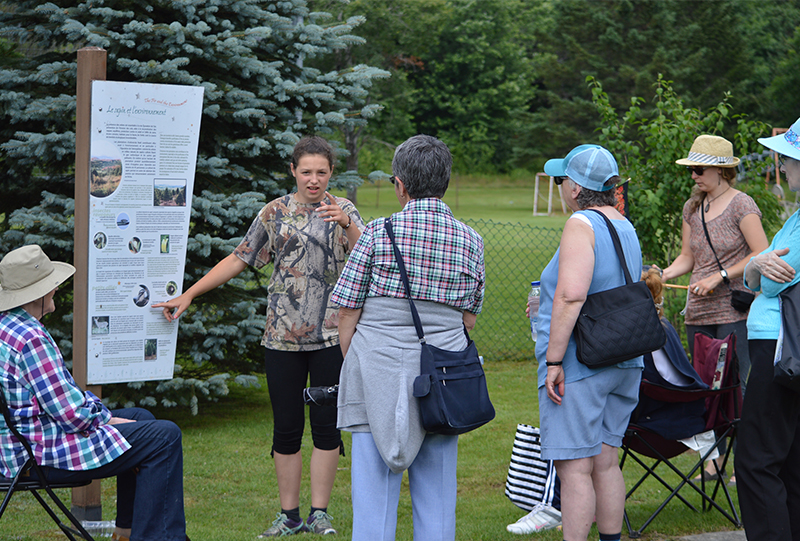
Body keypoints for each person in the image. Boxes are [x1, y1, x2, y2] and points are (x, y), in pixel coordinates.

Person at [153, 136, 364, 537]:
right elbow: (239, 257)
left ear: (331, 173)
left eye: (321, 172)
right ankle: (289, 516)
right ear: (293, 171)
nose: (314, 179)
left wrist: (348, 225)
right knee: (285, 428)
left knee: (325, 427)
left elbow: (369, 256)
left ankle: (320, 514)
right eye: (306, 171)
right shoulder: (275, 213)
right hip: (281, 338)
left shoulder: (345, 211)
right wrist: (190, 293)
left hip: (332, 338)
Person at [330, 134, 485, 541]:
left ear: (400, 184)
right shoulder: (471, 239)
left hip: (375, 371)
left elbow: (346, 308)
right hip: (443, 376)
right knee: (437, 503)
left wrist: (357, 361)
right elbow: (468, 318)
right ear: (445, 182)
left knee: (372, 504)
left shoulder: (378, 233)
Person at [0, 245, 187, 541]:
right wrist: (108, 420)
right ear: (37, 294)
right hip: (38, 453)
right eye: (51, 284)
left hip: (18, 445)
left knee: (142, 417)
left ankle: (125, 532)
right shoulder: (31, 338)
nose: (56, 288)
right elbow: (72, 414)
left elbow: (58, 401)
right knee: (165, 436)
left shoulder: (7, 327)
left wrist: (107, 418)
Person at [538, 144, 643, 541]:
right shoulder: (624, 224)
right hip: (625, 357)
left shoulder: (581, 224)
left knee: (575, 466)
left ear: (578, 188)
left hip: (583, 362)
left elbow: (571, 295)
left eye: (563, 179)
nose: (561, 186)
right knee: (606, 461)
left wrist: (553, 360)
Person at [661, 135, 768, 483]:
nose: (693, 176)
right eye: (691, 169)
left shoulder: (742, 205)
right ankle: (712, 462)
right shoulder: (692, 207)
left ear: (722, 170)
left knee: (736, 387)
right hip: (699, 311)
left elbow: (761, 253)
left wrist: (721, 276)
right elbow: (687, 258)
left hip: (733, 309)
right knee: (704, 387)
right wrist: (660, 274)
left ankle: (746, 462)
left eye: (699, 168)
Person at [735, 117, 800, 541]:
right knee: (789, 460)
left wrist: (757, 269)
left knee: (755, 459)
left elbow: (773, 275)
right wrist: (756, 267)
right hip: (779, 346)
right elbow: (756, 272)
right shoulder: (794, 217)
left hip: (778, 348)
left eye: (790, 159)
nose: (783, 165)